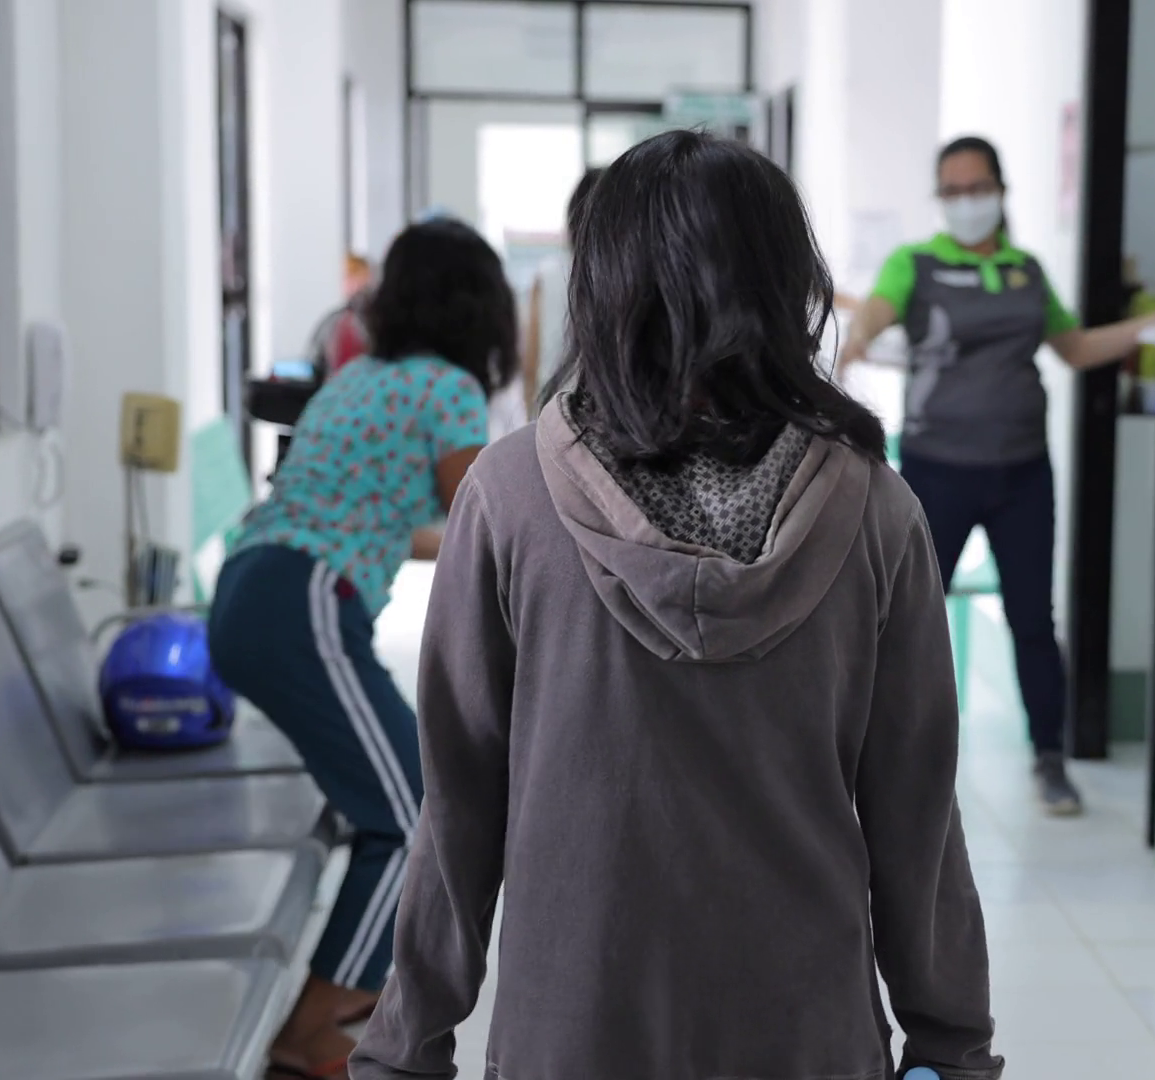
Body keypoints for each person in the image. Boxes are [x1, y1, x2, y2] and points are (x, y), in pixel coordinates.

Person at [351, 130, 1001, 1080]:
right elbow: (919, 820)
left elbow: (457, 813)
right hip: (807, 1036)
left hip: (573, 1038)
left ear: (603, 289)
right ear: (786, 286)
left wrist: (404, 1051)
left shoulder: (510, 498)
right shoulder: (876, 511)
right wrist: (953, 1047)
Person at [208, 219, 515, 1080]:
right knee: (416, 809)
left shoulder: (358, 377)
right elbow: (487, 525)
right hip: (300, 598)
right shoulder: (450, 388)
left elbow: (382, 517)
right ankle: (311, 1027)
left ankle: (344, 1000)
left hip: (254, 587)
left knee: (398, 794)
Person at [835, 135, 1155, 816]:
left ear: (1000, 190)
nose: (966, 202)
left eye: (976, 188)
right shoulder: (916, 264)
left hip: (1023, 473)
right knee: (907, 620)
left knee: (1033, 619)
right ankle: (881, 759)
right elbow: (877, 310)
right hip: (937, 472)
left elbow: (1075, 348)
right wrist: (858, 335)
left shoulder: (1026, 272)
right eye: (952, 192)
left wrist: (1150, 327)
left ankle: (1051, 758)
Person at [517, 167, 604, 420]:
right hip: (604, 415)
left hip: (552, 410)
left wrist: (530, 414)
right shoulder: (627, 275)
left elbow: (531, 360)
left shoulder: (548, 274)